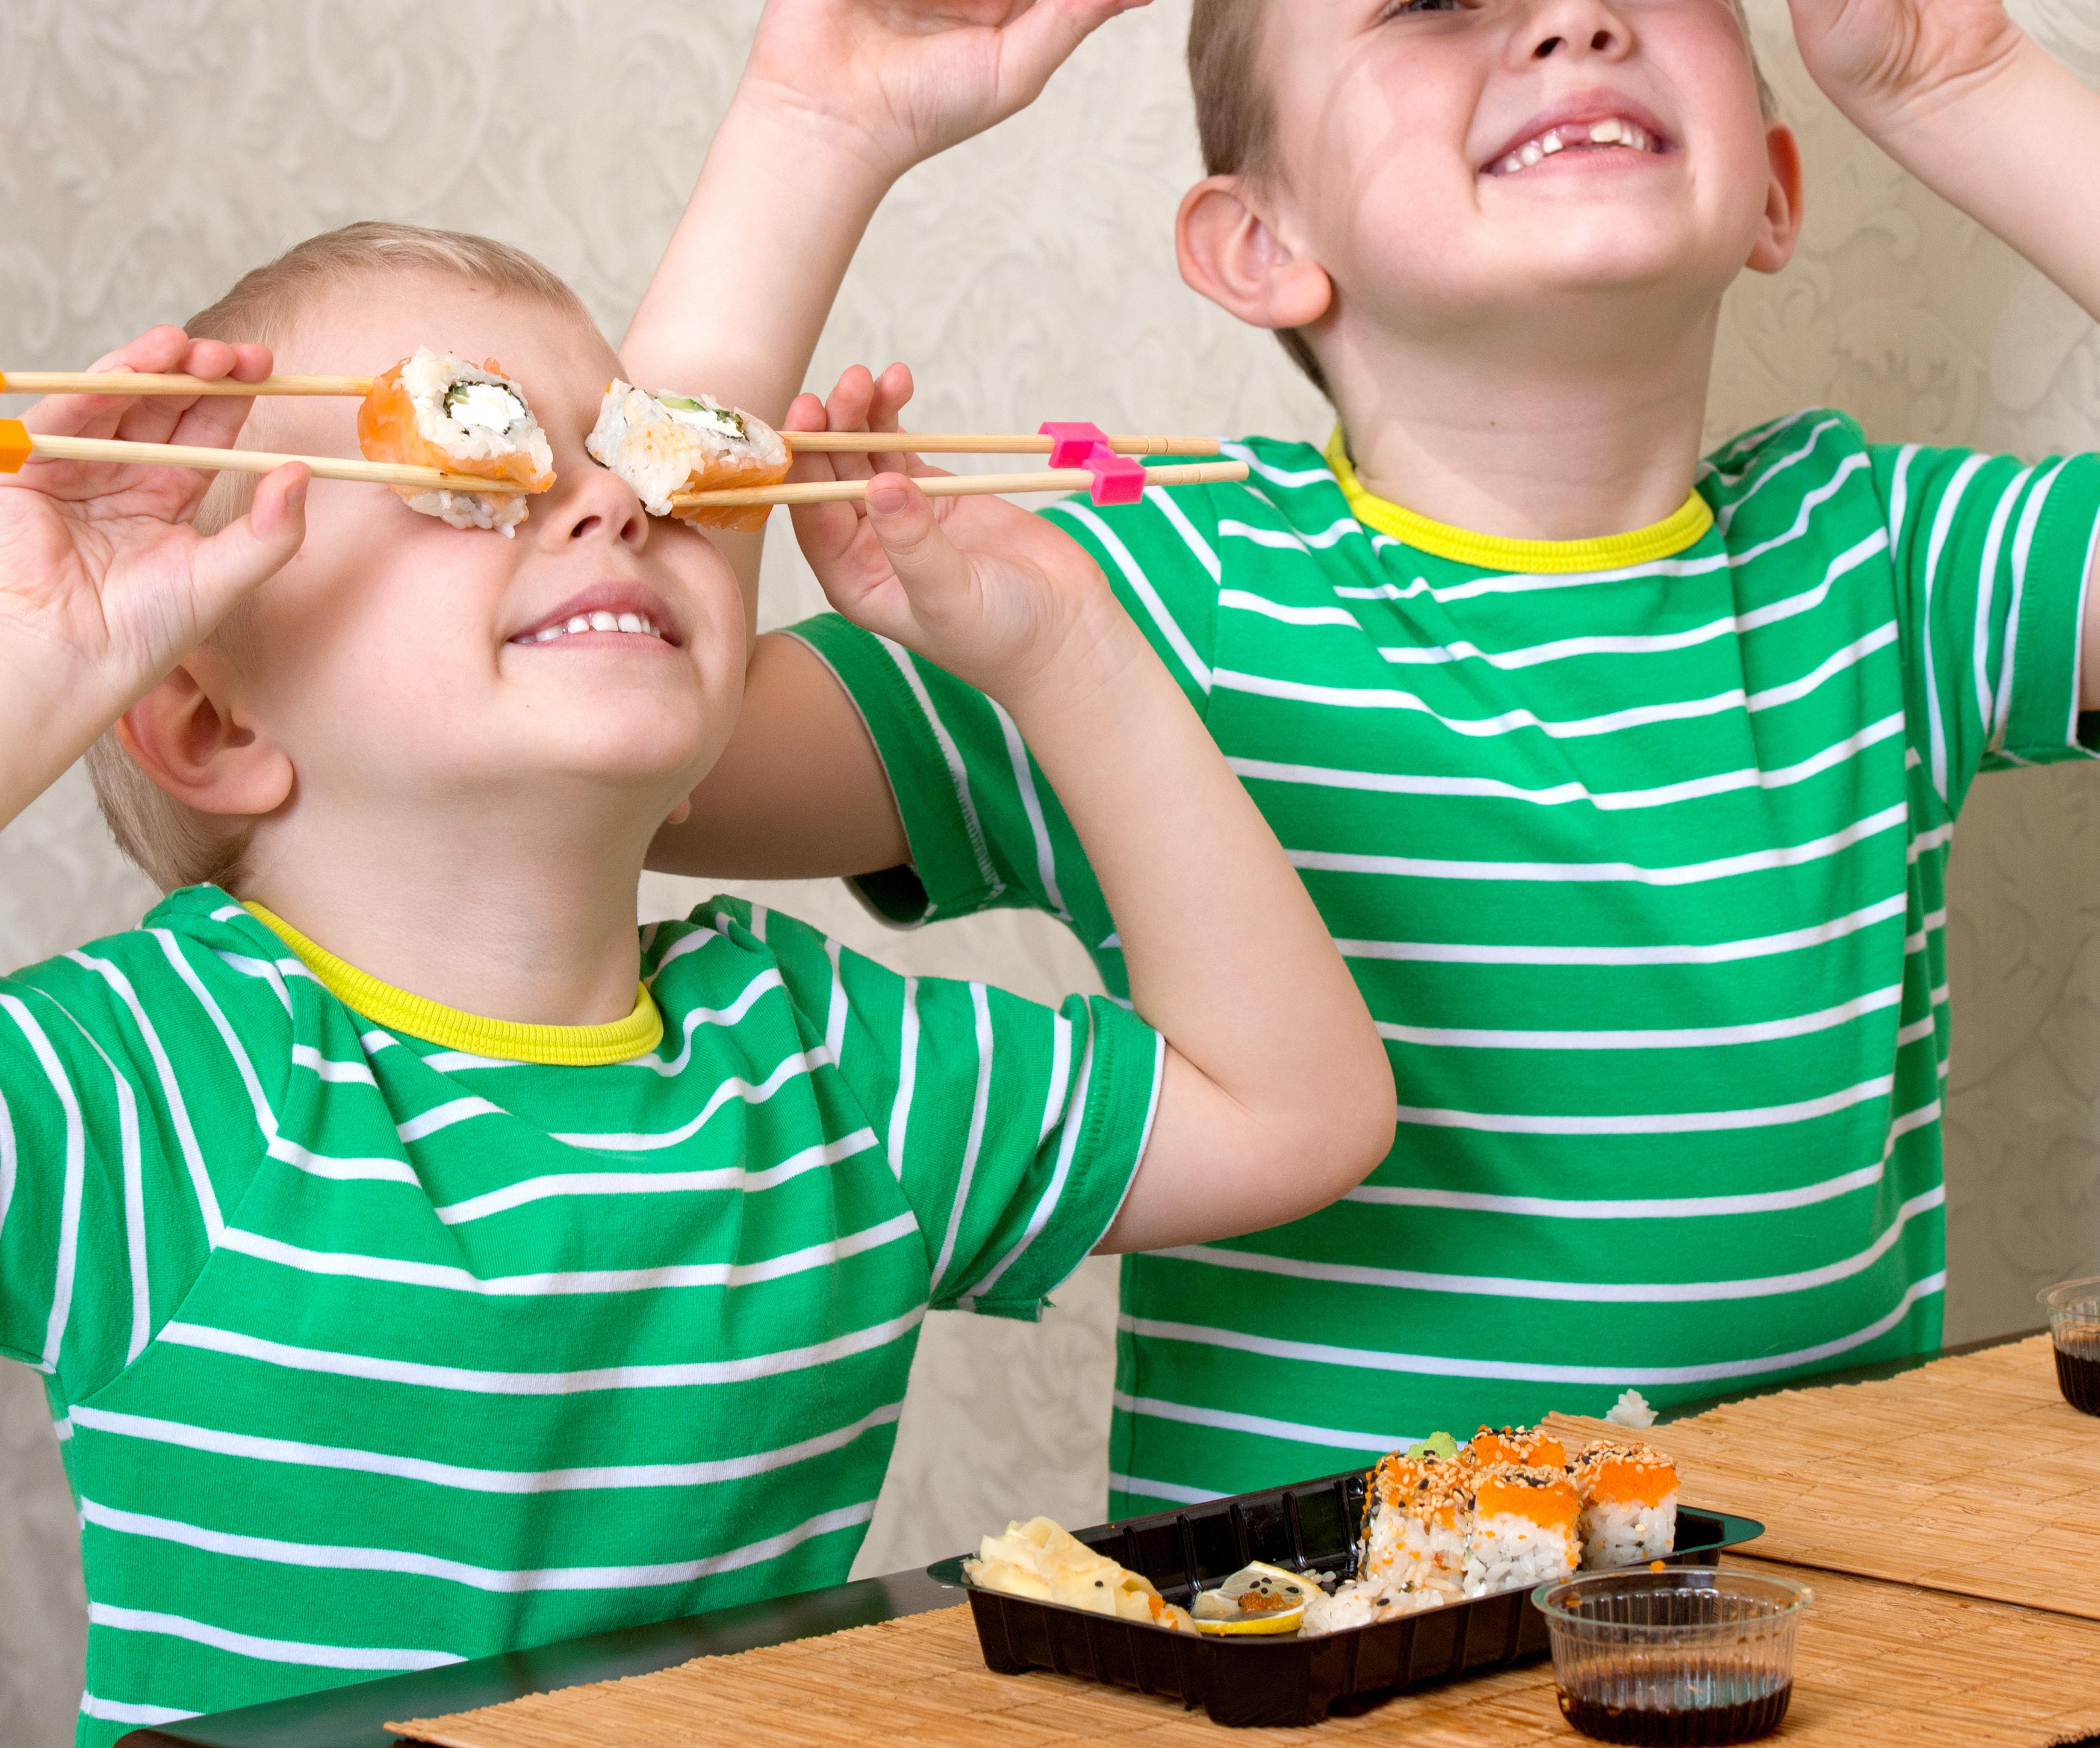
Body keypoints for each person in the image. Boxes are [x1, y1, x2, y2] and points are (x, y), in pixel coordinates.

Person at [660, 0, 2100, 1513]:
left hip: (1808, 1656)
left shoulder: (1881, 566)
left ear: (1779, 191)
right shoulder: (1123, 602)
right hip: (1313, 1675)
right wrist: (808, 145)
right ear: (1256, 246)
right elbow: (635, 759)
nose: (1576, 26)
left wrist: (1967, 84)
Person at [0, 221, 1388, 1743]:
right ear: (206, 725)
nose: (612, 497)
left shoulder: (817, 1061)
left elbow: (1296, 1114)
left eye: (635, 458)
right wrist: (36, 668)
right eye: (473, 468)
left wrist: (1064, 653)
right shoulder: (147, 1084)